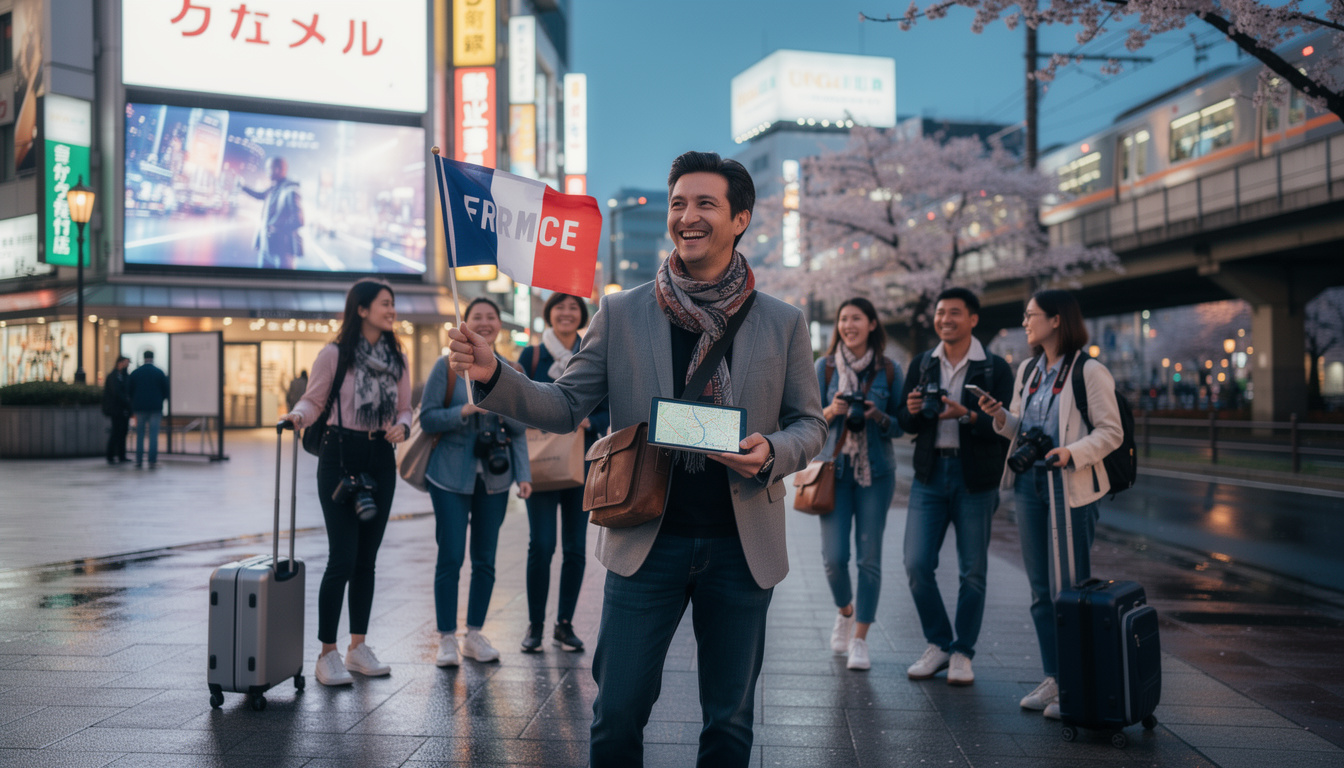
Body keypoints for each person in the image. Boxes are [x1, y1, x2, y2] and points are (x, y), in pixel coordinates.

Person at [448, 151, 826, 768]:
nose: (688, 216)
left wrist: (774, 451)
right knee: (617, 712)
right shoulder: (624, 312)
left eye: (706, 203)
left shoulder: (782, 323)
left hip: (742, 544)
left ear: (741, 219)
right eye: (679, 203)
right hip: (645, 539)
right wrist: (493, 372)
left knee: (729, 722)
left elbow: (811, 423)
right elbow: (566, 404)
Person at [980, 288, 1124, 720]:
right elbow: (1026, 428)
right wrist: (1002, 417)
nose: (1025, 322)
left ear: (1057, 319)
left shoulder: (1089, 371)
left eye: (1031, 315)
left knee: (1070, 589)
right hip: (1030, 484)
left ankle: (1077, 684)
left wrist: (1072, 453)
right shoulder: (1028, 370)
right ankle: (1056, 677)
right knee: (1041, 590)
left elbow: (1111, 432)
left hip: (1070, 486)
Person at [281, 279, 413, 687]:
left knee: (366, 559)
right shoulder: (334, 354)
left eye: (392, 304)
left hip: (380, 457)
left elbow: (407, 408)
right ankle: (327, 654)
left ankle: (358, 647)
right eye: (384, 304)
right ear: (361, 309)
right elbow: (314, 400)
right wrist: (296, 416)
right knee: (343, 556)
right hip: (339, 455)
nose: (391, 311)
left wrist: (403, 428)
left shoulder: (397, 358)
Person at [895, 287, 1014, 686]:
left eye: (955, 313)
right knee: (915, 564)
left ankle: (963, 651)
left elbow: (1006, 430)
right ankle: (939, 642)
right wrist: (911, 412)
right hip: (930, 476)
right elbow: (906, 424)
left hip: (975, 479)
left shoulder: (995, 369)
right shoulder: (923, 363)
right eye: (941, 313)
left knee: (973, 571)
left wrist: (967, 416)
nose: (945, 319)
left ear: (973, 319)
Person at [419, 297, 532, 667]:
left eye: (490, 317)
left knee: (485, 560)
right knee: (450, 556)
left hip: (495, 480)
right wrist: (465, 410)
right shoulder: (446, 367)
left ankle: (475, 634)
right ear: (464, 323)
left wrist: (524, 476)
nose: (484, 323)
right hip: (450, 476)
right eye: (476, 317)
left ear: (499, 325)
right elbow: (428, 418)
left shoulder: (511, 369)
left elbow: (518, 430)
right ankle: (447, 638)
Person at [813, 297, 904, 671]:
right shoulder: (825, 367)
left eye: (856, 319)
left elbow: (901, 426)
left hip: (876, 474)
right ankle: (845, 611)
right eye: (843, 319)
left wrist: (877, 414)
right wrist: (832, 410)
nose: (849, 325)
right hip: (834, 472)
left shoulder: (889, 370)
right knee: (834, 559)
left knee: (869, 558)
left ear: (871, 324)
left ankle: (861, 639)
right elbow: (806, 418)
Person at [520, 293, 609, 654]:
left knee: (574, 548)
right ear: (549, 314)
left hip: (581, 464)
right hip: (541, 462)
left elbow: (609, 407)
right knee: (541, 546)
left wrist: (591, 420)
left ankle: (565, 624)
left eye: (574, 308)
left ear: (582, 315)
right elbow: (520, 401)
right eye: (560, 307)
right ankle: (535, 625)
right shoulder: (533, 355)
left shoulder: (592, 353)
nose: (567, 313)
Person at [239, 156, 304, 270]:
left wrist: (277, 227)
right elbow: (259, 195)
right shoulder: (274, 188)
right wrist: (243, 187)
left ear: (278, 169)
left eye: (269, 168)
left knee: (284, 285)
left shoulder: (290, 190)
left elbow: (299, 220)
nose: (267, 172)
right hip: (266, 247)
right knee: (262, 284)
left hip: (282, 251)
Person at [128, 351, 169, 469]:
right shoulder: (159, 372)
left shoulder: (136, 373)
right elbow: (166, 391)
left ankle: (139, 460)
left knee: (140, 434)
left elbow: (129, 391)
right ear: (153, 358)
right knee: (153, 435)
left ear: (143, 357)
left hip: (139, 408)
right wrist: (160, 400)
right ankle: (152, 460)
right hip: (155, 408)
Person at [102, 356, 132, 464]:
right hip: (116, 409)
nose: (126, 365)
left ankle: (121, 455)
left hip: (123, 409)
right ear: (119, 363)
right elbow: (116, 392)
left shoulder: (124, 376)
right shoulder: (113, 376)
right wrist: (127, 401)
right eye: (125, 363)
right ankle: (111, 455)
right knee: (116, 431)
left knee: (123, 432)